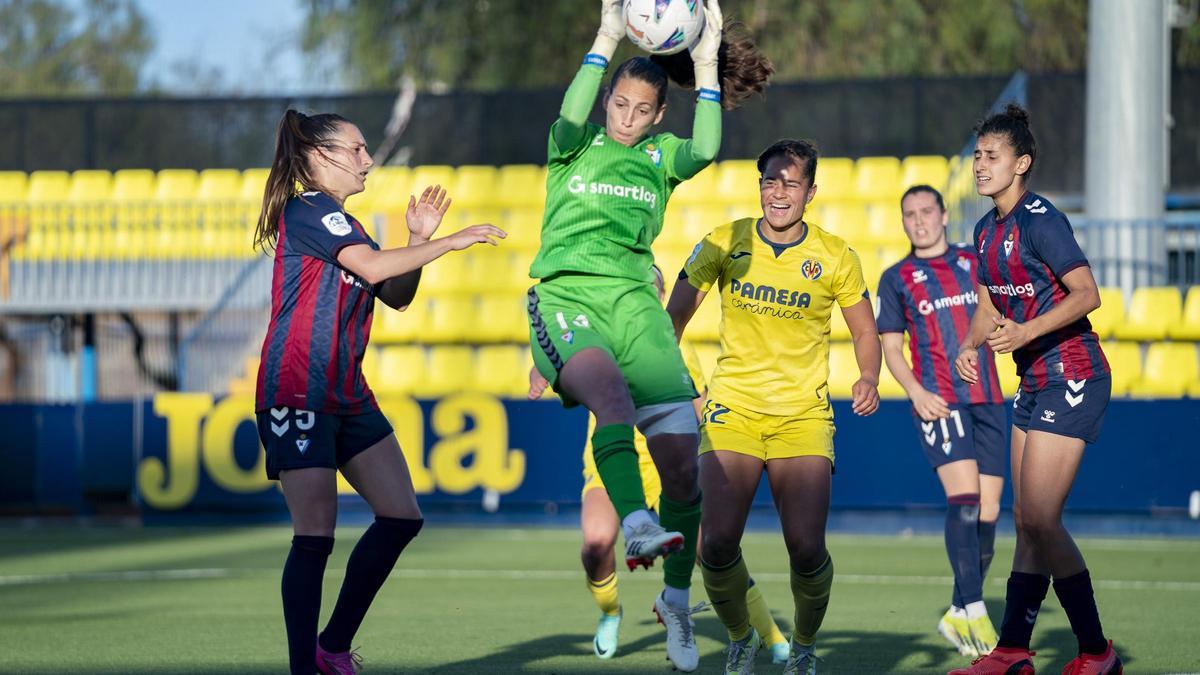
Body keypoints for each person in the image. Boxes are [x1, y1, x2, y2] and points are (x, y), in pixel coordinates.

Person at [524, 1, 771, 671]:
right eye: (619, 105)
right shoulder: (574, 142)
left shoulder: (661, 157)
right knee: (608, 398)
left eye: (640, 110)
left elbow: (711, 147)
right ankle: (636, 521)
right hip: (569, 293)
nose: (626, 118)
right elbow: (574, 109)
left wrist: (703, 64)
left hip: (638, 304)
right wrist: (605, 35)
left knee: (684, 473)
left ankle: (675, 604)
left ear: (659, 114)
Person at [252, 109, 504, 675]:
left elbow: (396, 294)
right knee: (315, 534)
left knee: (401, 516)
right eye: (358, 150)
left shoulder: (346, 223)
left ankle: (331, 646)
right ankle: (305, 667)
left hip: (346, 393)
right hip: (298, 389)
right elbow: (370, 265)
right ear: (321, 157)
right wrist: (452, 242)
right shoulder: (309, 209)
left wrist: (418, 240)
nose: (368, 160)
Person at [666, 138, 882, 675]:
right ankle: (743, 637)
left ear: (811, 191)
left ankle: (803, 647)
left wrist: (870, 377)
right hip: (733, 410)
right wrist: (680, 386)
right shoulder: (723, 241)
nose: (778, 192)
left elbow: (864, 332)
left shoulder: (835, 255)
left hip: (802, 418)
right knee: (713, 543)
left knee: (806, 548)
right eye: (770, 180)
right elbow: (670, 322)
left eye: (790, 182)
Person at [530, 265, 791, 665]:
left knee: (714, 551)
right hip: (613, 459)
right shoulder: (594, 336)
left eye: (651, 291)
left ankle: (771, 635)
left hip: (663, 464)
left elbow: (699, 408)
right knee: (596, 544)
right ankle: (610, 612)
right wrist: (542, 369)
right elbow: (558, 354)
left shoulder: (676, 346)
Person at [950, 104, 1120, 675]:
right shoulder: (983, 228)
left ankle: (1097, 652)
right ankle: (1013, 652)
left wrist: (1025, 331)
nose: (979, 166)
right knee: (1025, 520)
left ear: (1021, 164)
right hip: (1035, 380)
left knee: (1042, 520)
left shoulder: (1042, 220)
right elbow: (988, 305)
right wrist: (971, 345)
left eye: (991, 157)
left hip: (1073, 374)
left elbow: (1087, 293)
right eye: (977, 156)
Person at [875, 185, 1005, 659]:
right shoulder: (897, 278)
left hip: (989, 398)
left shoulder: (975, 262)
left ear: (944, 214)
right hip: (941, 402)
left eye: (926, 211)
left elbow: (1001, 311)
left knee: (989, 513)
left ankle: (956, 608)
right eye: (909, 214)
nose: (919, 221)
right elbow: (891, 348)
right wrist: (916, 392)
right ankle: (974, 611)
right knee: (966, 501)